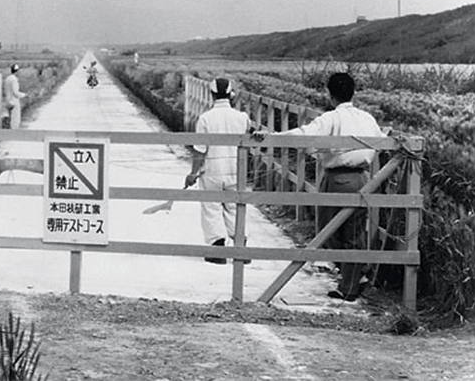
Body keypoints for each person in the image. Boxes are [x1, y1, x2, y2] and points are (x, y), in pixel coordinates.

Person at [254, 72, 384, 301]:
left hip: (338, 178)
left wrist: (271, 137)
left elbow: (304, 135)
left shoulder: (331, 118)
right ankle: (355, 275)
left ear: (330, 95)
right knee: (348, 230)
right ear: (353, 93)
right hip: (362, 178)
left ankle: (350, 285)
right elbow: (382, 141)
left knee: (332, 231)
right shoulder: (367, 118)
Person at [145, 78, 253, 264]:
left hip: (212, 171)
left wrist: (193, 173)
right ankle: (240, 250)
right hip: (236, 171)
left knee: (211, 209)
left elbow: (200, 150)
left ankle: (217, 251)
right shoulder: (242, 118)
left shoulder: (206, 119)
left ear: (211, 95)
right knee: (235, 208)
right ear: (230, 95)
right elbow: (253, 134)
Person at [2, 64, 26, 129]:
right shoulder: (14, 80)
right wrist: (24, 95)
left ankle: (10, 133)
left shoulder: (8, 78)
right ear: (17, 71)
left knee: (10, 118)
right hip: (14, 102)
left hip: (8, 101)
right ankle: (14, 134)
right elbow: (15, 92)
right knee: (15, 119)